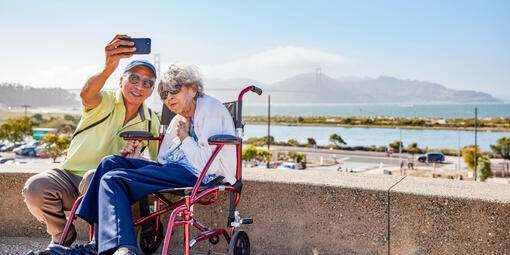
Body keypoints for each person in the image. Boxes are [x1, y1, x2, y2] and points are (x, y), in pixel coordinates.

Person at [73, 64, 236, 255]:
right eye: (164, 94)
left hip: (200, 175)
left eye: (174, 90)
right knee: (109, 163)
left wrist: (185, 138)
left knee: (113, 179)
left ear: (193, 89)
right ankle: (98, 242)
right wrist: (139, 159)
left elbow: (208, 164)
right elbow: (163, 161)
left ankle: (125, 248)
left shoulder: (210, 109)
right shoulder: (178, 119)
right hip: (175, 171)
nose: (169, 98)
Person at [23, 35, 160, 251]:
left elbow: (157, 162)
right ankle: (62, 234)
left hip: (108, 183)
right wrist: (108, 67)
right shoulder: (104, 100)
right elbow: (86, 94)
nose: (139, 86)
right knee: (35, 187)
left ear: (152, 90)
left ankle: (101, 243)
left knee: (94, 178)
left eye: (147, 83)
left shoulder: (152, 120)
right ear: (121, 81)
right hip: (70, 177)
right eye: (133, 78)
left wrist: (137, 159)